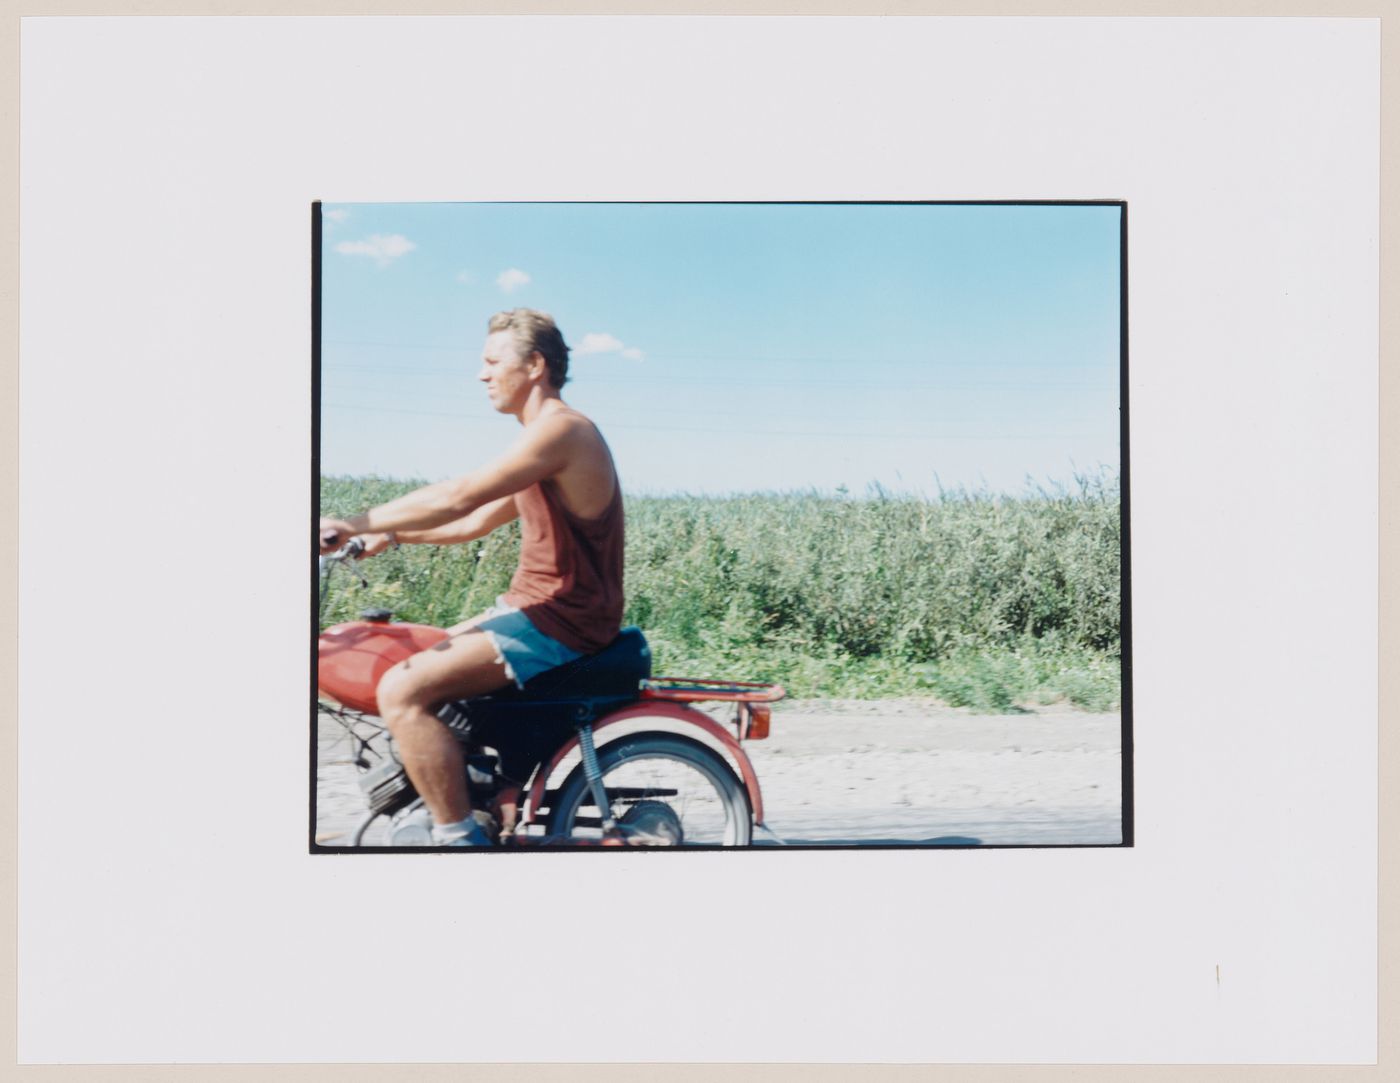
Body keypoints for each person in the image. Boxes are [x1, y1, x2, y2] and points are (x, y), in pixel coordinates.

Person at [319, 309, 625, 846]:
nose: (482, 375)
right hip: (535, 608)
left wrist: (352, 522)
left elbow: (459, 495)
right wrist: (389, 537)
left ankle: (457, 838)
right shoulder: (544, 440)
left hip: (564, 618)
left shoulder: (563, 432)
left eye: (492, 361)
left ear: (534, 364)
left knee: (401, 690)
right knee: (414, 656)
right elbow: (472, 522)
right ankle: (477, 794)